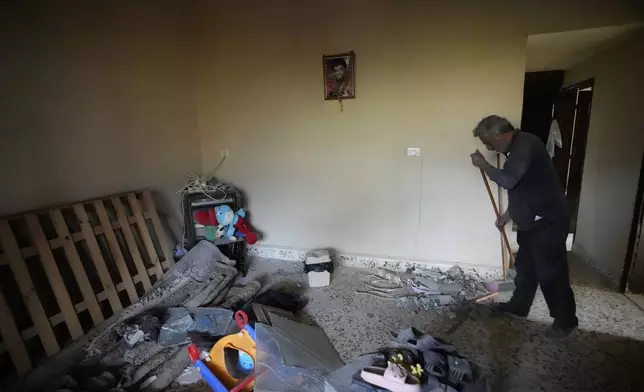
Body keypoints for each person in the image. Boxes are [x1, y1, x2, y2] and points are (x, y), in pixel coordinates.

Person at [469, 115, 578, 340]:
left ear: (498, 134)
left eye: (488, 141)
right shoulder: (518, 148)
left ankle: (566, 322)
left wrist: (485, 166)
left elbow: (509, 181)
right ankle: (519, 306)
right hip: (531, 221)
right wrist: (507, 215)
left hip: (547, 221)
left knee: (551, 274)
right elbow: (521, 188)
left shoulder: (526, 144)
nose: (488, 147)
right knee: (526, 268)